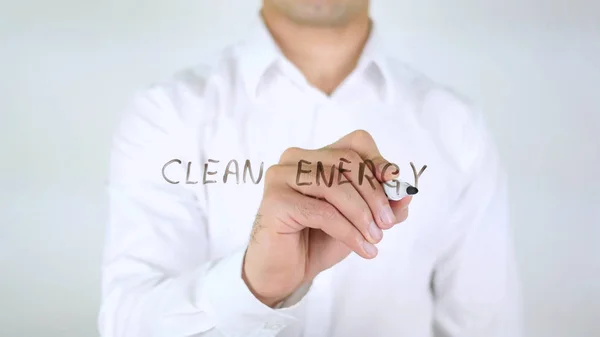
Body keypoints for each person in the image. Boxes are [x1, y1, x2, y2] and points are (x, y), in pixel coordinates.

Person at [99, 1, 521, 336]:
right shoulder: (167, 115)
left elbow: (486, 326)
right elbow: (125, 324)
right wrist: (254, 285)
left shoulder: (457, 128)